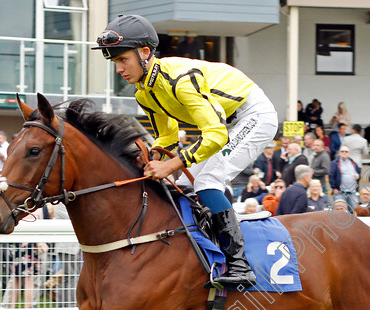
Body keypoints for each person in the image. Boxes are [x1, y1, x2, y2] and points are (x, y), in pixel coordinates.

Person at [95, 14, 277, 286]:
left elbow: (215, 135)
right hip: (226, 123)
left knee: (206, 180)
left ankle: (240, 265)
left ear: (145, 53)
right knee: (182, 184)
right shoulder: (144, 92)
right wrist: (152, 157)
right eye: (115, 62)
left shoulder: (181, 79)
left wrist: (169, 165)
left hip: (253, 115)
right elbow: (167, 136)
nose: (119, 68)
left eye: (123, 59)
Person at [329, 145, 361, 211]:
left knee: (354, 211)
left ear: (349, 153)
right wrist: (334, 188)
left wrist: (358, 176)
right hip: (340, 192)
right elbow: (331, 176)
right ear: (339, 152)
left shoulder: (353, 163)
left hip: (352, 192)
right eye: (342, 151)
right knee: (339, 212)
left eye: (346, 151)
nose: (344, 153)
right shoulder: (335, 163)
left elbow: (359, 174)